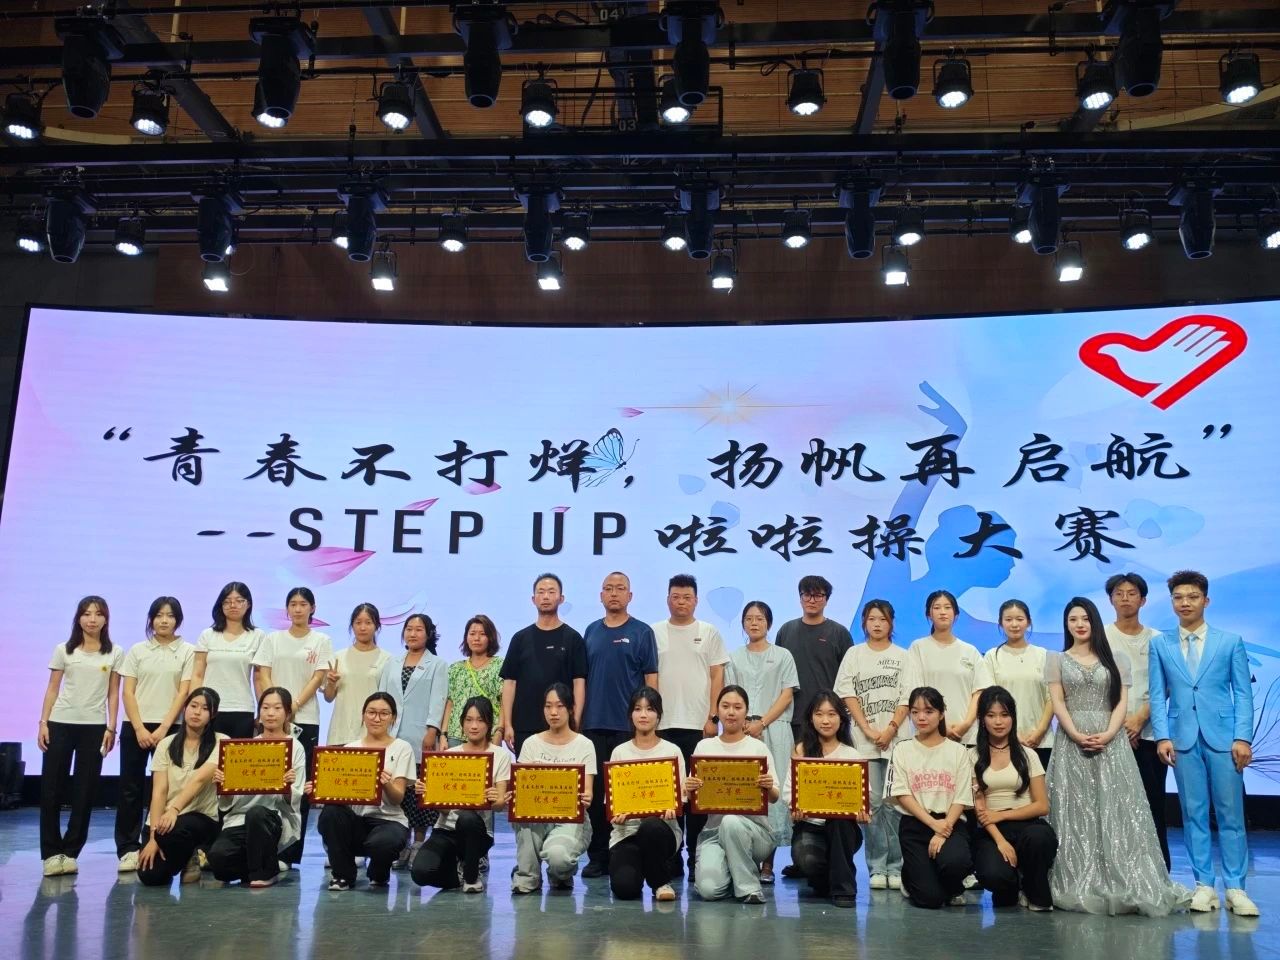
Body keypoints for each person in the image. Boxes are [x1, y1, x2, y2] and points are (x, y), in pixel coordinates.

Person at [1045, 597, 1188, 916]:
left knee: (1117, 808)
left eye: (1085, 618)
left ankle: (1124, 877)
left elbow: (1122, 702)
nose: (1079, 624)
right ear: (1066, 625)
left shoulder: (1116, 659)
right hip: (1071, 741)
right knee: (1075, 810)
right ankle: (1077, 876)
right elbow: (1058, 703)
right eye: (1073, 619)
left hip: (1112, 741)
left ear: (1095, 622)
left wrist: (1110, 733)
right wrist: (1075, 733)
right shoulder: (1056, 660)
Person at [1150, 570, 1258, 917]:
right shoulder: (1160, 644)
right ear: (1172, 602)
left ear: (1206, 600)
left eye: (1192, 597)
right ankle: (1204, 886)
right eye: (1178, 597)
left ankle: (1236, 888)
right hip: (1182, 738)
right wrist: (1162, 735)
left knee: (1230, 814)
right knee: (1192, 813)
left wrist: (1242, 737)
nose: (1185, 603)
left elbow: (1243, 693)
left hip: (1224, 738)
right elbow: (1157, 694)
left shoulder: (1230, 642)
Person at [38, 595, 124, 877]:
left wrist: (111, 727)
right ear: (78, 618)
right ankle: (51, 854)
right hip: (60, 723)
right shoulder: (64, 650)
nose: (92, 619)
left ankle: (71, 852)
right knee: (51, 789)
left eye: (98, 614)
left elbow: (113, 693)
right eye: (86, 614)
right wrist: (43, 722)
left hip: (94, 727)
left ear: (106, 619)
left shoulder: (114, 652)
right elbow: (53, 688)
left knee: (85, 791)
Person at [580, 572, 658, 878]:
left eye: (620, 588)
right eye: (608, 589)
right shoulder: (591, 631)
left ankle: (627, 853)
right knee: (597, 796)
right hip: (593, 724)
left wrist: (651, 719)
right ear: (601, 595)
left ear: (630, 596)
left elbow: (651, 679)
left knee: (627, 795)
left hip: (628, 728)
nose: (614, 593)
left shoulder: (642, 632)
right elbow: (582, 680)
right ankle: (598, 856)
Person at [652, 573, 727, 880]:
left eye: (686, 597)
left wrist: (713, 717)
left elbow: (717, 675)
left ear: (695, 600)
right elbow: (650, 676)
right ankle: (671, 857)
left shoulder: (708, 632)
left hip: (698, 726)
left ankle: (696, 857)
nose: (680, 602)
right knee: (669, 796)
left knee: (697, 796)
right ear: (667, 599)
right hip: (663, 725)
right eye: (675, 597)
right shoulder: (654, 632)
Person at [115, 596, 196, 872]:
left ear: (178, 620)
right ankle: (128, 848)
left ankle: (160, 842)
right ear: (151, 619)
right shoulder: (137, 650)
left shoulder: (188, 651)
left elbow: (183, 693)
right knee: (130, 788)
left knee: (168, 788)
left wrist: (163, 728)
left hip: (171, 727)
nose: (164, 620)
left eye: (170, 616)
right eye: (159, 615)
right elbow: (128, 692)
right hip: (135, 726)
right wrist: (139, 728)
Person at [253, 586, 331, 865]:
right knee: (268, 780)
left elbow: (318, 677)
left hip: (305, 718)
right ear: (287, 609)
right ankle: (264, 845)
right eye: (293, 604)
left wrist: (293, 705)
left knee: (299, 786)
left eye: (303, 604)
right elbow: (263, 674)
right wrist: (276, 707)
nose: (298, 609)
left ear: (312, 608)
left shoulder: (321, 640)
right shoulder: (272, 639)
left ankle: (290, 852)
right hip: (273, 720)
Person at [725, 600, 798, 884]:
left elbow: (787, 694)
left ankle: (768, 864)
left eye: (760, 618)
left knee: (771, 790)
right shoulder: (733, 657)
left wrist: (762, 722)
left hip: (774, 729)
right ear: (743, 623)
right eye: (749, 618)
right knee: (745, 791)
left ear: (769, 623)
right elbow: (730, 694)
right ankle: (745, 859)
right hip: (741, 730)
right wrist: (744, 723)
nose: (754, 623)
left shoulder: (783, 655)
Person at [834, 598, 905, 890]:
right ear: (864, 622)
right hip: (864, 741)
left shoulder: (904, 656)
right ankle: (877, 866)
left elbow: (908, 696)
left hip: (897, 740)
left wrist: (890, 729)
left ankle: (896, 867)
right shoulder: (854, 654)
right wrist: (866, 728)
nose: (877, 624)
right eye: (872, 619)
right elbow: (846, 692)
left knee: (896, 803)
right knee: (873, 804)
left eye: (883, 619)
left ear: (891, 623)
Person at [686, 685, 780, 904]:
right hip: (714, 834)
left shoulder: (758, 748)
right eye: (725, 706)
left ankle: (749, 889)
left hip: (755, 833)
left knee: (731, 821)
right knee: (709, 891)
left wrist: (768, 786)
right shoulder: (704, 747)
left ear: (746, 712)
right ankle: (734, 870)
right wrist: (688, 788)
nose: (731, 712)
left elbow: (775, 797)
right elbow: (692, 799)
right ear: (717, 711)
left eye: (737, 707)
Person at [312, 691, 414, 891]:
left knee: (383, 843)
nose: (377, 718)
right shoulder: (351, 748)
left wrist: (386, 783)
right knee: (330, 813)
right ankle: (342, 875)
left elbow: (397, 798)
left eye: (384, 713)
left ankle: (379, 871)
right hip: (357, 819)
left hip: (388, 820)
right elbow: (340, 791)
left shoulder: (402, 748)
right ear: (363, 715)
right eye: (371, 712)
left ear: (393, 718)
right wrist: (319, 789)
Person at [410, 696, 511, 893]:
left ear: (489, 723)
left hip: (478, 831)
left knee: (467, 818)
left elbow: (499, 804)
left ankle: (472, 876)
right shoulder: (449, 755)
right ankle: (457, 875)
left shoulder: (500, 755)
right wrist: (429, 794)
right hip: (446, 829)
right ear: (462, 723)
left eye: (480, 720)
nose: (474, 726)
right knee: (420, 873)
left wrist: (493, 799)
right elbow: (443, 810)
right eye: (469, 720)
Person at [207, 686, 305, 887]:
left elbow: (296, 798)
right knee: (218, 861)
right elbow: (229, 802)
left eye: (277, 708)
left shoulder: (295, 748)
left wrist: (287, 787)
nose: (270, 713)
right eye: (265, 708)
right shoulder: (246, 748)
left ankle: (266, 872)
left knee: (257, 813)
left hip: (274, 818)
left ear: (287, 713)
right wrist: (224, 786)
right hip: (241, 818)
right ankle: (258, 863)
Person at [1104, 572, 1170, 869]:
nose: (1125, 599)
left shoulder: (1157, 639)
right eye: (1119, 593)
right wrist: (1120, 724)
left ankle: (1158, 870)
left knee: (1152, 803)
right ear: (1111, 600)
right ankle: (1119, 870)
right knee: (1114, 807)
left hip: (1149, 734)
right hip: (1111, 734)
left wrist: (1140, 718)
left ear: (1143, 600)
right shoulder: (1101, 637)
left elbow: (1165, 684)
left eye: (1132, 593)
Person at [970, 686, 1058, 911]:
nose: (998, 722)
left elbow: (1042, 806)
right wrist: (1001, 841)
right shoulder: (972, 756)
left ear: (1013, 717)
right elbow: (980, 810)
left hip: (1027, 825)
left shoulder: (1028, 755)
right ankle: (1012, 885)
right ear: (982, 720)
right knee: (994, 875)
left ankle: (1031, 887)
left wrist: (1002, 815)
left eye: (1004, 714)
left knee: (1040, 838)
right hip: (991, 831)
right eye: (991, 715)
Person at [889, 686, 974, 909]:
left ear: (941, 714)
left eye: (929, 711)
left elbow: (962, 796)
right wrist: (933, 824)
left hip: (950, 822)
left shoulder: (958, 751)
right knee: (930, 899)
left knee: (956, 862)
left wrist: (943, 827)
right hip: (916, 823)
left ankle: (952, 883)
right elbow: (901, 793)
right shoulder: (902, 749)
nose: (921, 717)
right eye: (915, 712)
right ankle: (910, 875)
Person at [784, 691, 867, 907]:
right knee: (808, 862)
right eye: (819, 714)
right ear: (811, 718)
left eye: (832, 714)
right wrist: (795, 807)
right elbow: (788, 791)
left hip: (844, 831)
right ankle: (825, 878)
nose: (826, 720)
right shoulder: (801, 750)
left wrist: (862, 812)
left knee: (839, 819)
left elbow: (862, 797)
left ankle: (844, 890)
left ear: (841, 718)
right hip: (810, 826)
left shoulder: (852, 755)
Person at [136, 687, 226, 887]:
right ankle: (183, 857)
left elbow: (199, 780)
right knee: (150, 876)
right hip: (164, 821)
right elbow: (159, 792)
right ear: (185, 708)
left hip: (199, 818)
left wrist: (174, 810)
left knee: (175, 829)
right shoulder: (166, 744)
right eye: (193, 706)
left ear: (213, 715)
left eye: (204, 709)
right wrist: (154, 837)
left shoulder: (222, 742)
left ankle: (193, 854)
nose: (197, 712)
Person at [513, 683, 596, 894]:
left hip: (570, 819)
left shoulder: (584, 744)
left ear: (570, 709)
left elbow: (588, 791)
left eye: (559, 706)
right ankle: (528, 877)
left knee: (559, 858)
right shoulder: (531, 743)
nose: (553, 712)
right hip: (536, 817)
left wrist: (586, 797)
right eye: (548, 706)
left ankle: (560, 873)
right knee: (523, 819)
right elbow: (521, 788)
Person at [378, 613, 448, 863]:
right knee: (399, 789)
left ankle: (419, 842)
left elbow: (438, 699)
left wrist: (432, 729)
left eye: (419, 629)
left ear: (428, 634)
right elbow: (382, 697)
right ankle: (401, 841)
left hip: (420, 735)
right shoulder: (392, 663)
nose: (413, 633)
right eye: (409, 629)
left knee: (418, 791)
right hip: (393, 735)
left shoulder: (437, 664)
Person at [607, 686, 685, 902]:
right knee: (625, 889)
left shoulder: (672, 751)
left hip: (661, 830)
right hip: (627, 832)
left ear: (659, 715)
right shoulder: (620, 752)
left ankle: (660, 882)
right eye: (638, 709)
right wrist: (617, 813)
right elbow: (612, 800)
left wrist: (673, 807)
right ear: (630, 714)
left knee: (651, 826)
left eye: (650, 709)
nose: (643, 715)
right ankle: (641, 866)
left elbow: (681, 798)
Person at [500, 574, 587, 757]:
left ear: (561, 598)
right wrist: (507, 724)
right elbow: (509, 683)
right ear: (533, 599)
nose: (545, 596)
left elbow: (579, 683)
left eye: (551, 591)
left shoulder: (573, 638)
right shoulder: (519, 638)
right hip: (524, 725)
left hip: (562, 725)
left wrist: (576, 720)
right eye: (541, 592)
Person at [894, 590, 991, 747]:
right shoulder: (918, 648)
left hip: (966, 736)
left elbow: (979, 691)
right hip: (929, 734)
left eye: (947, 607)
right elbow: (915, 691)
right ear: (929, 614)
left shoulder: (970, 651)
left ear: (956, 614)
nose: (943, 612)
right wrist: (940, 726)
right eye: (937, 607)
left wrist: (966, 724)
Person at [776, 575, 854, 745]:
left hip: (829, 718)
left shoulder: (839, 633)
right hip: (793, 717)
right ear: (800, 598)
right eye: (807, 595)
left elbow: (849, 678)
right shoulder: (786, 631)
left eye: (818, 595)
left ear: (826, 600)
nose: (812, 600)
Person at [984, 600, 1054, 768]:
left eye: (1019, 619)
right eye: (1008, 619)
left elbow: (1052, 698)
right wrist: (1012, 735)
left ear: (1028, 622)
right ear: (1001, 623)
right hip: (1002, 741)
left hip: (1041, 742)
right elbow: (988, 701)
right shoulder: (992, 656)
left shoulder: (1043, 655)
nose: (1014, 624)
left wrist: (1039, 732)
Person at [192, 582, 265, 739]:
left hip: (242, 708)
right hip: (209, 708)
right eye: (227, 601)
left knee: (239, 754)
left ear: (248, 604)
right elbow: (197, 675)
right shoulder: (207, 635)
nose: (233, 605)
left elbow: (259, 678)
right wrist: (194, 706)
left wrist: (263, 709)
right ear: (221, 605)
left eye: (239, 601)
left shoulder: (257, 635)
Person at [322, 603, 391, 746]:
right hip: (341, 731)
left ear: (377, 626)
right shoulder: (338, 657)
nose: (363, 627)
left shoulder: (387, 659)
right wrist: (331, 684)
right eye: (358, 623)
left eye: (368, 623)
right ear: (352, 626)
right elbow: (328, 697)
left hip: (373, 733)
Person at [443, 615, 504, 748]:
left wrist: (499, 731)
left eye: (482, 634)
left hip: (488, 735)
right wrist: (443, 734)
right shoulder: (455, 668)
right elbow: (450, 703)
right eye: (472, 634)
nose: (476, 638)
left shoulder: (500, 665)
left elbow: (503, 702)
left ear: (490, 637)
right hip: (456, 735)